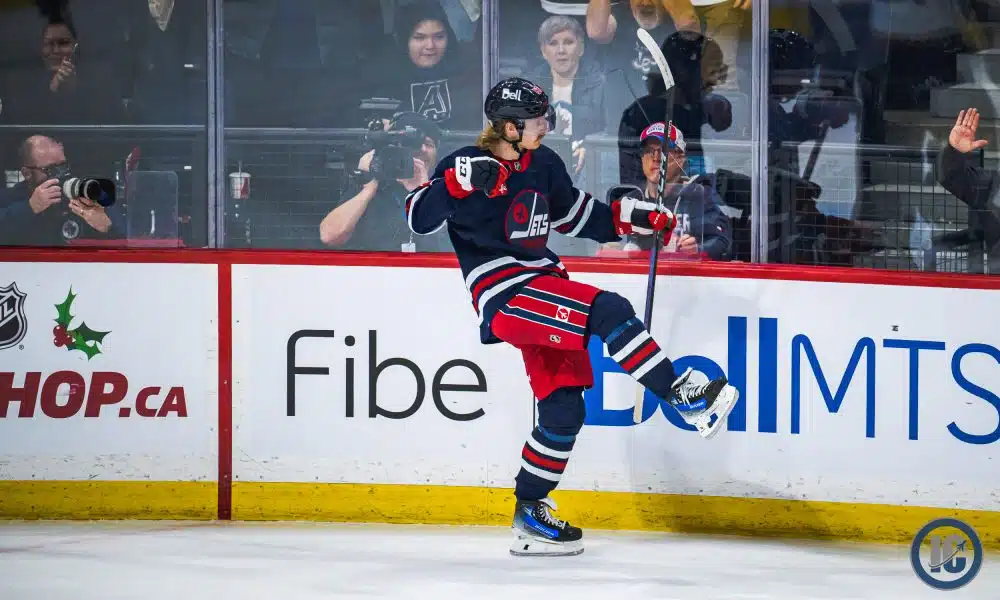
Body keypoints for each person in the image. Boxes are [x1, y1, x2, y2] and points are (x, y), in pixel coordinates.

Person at [403, 76, 739, 557]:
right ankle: (681, 396)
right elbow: (419, 217)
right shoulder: (466, 162)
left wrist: (634, 219)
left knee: (565, 409)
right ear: (510, 127)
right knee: (609, 309)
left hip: (544, 283)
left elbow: (578, 216)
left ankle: (530, 511)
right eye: (537, 120)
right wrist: (457, 183)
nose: (547, 125)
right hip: (506, 295)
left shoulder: (544, 164)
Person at [320, 112, 446, 251]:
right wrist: (369, 186)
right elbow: (330, 237)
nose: (422, 149)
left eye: (429, 144)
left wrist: (423, 193)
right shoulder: (372, 185)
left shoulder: (447, 187)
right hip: (376, 264)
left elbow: (457, 242)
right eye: (414, 145)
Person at [615, 122, 731, 259]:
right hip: (637, 272)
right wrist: (610, 245)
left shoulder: (698, 197)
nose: (656, 158)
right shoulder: (630, 200)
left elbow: (722, 241)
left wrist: (698, 249)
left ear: (680, 158)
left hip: (681, 271)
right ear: (642, 158)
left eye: (663, 151)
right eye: (649, 151)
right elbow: (610, 240)